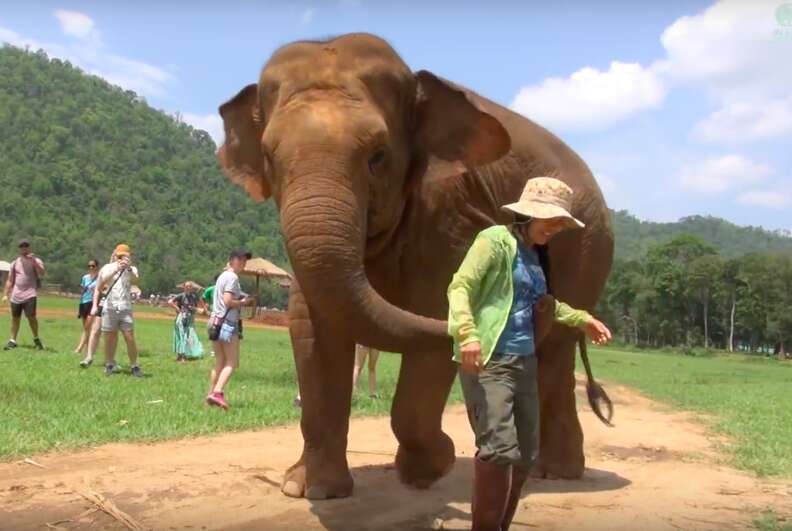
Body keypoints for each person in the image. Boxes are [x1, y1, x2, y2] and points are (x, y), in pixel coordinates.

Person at [447, 177, 612, 531]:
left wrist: (583, 319)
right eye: (551, 220)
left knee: (526, 453)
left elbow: (543, 306)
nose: (555, 229)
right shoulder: (495, 241)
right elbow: (460, 286)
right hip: (491, 361)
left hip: (524, 363)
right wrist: (468, 334)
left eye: (560, 223)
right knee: (499, 449)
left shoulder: (537, 256)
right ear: (528, 215)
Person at [206, 250, 254, 410]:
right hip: (227, 323)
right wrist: (243, 302)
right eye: (239, 259)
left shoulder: (222, 276)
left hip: (214, 320)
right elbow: (228, 301)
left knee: (219, 361)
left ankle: (210, 394)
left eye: (244, 260)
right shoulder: (232, 277)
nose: (243, 262)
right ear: (232, 260)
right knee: (232, 362)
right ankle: (217, 393)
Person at [91, 244, 143, 377]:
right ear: (115, 255)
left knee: (129, 337)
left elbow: (136, 281)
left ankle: (135, 366)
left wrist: (129, 269)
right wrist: (116, 269)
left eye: (125, 256)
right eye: (119, 255)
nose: (122, 258)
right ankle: (109, 364)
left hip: (125, 307)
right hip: (110, 307)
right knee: (109, 337)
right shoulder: (107, 268)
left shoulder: (132, 269)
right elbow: (101, 284)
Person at [3, 239, 46, 351]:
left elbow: (42, 272)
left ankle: (36, 338)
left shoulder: (36, 260)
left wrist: (33, 261)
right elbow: (9, 280)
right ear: (19, 249)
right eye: (22, 246)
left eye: (26, 246)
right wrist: (5, 294)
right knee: (15, 318)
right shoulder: (14, 263)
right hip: (16, 295)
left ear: (29, 247)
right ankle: (12, 341)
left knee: (31, 317)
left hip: (30, 294)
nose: (24, 248)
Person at [75, 259, 102, 367]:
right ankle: (87, 349)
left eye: (93, 266)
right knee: (85, 327)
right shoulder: (85, 278)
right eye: (89, 266)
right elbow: (82, 289)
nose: (91, 268)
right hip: (83, 302)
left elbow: (102, 290)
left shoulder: (100, 278)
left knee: (87, 327)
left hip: (93, 303)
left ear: (97, 267)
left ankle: (79, 348)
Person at [169, 281, 204, 362]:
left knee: (187, 336)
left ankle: (182, 355)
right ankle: (182, 356)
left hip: (190, 318)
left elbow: (200, 304)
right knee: (181, 336)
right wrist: (177, 309)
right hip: (182, 318)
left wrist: (195, 309)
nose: (188, 287)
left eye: (190, 286)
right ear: (184, 287)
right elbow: (170, 301)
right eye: (187, 286)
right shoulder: (181, 296)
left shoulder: (194, 296)